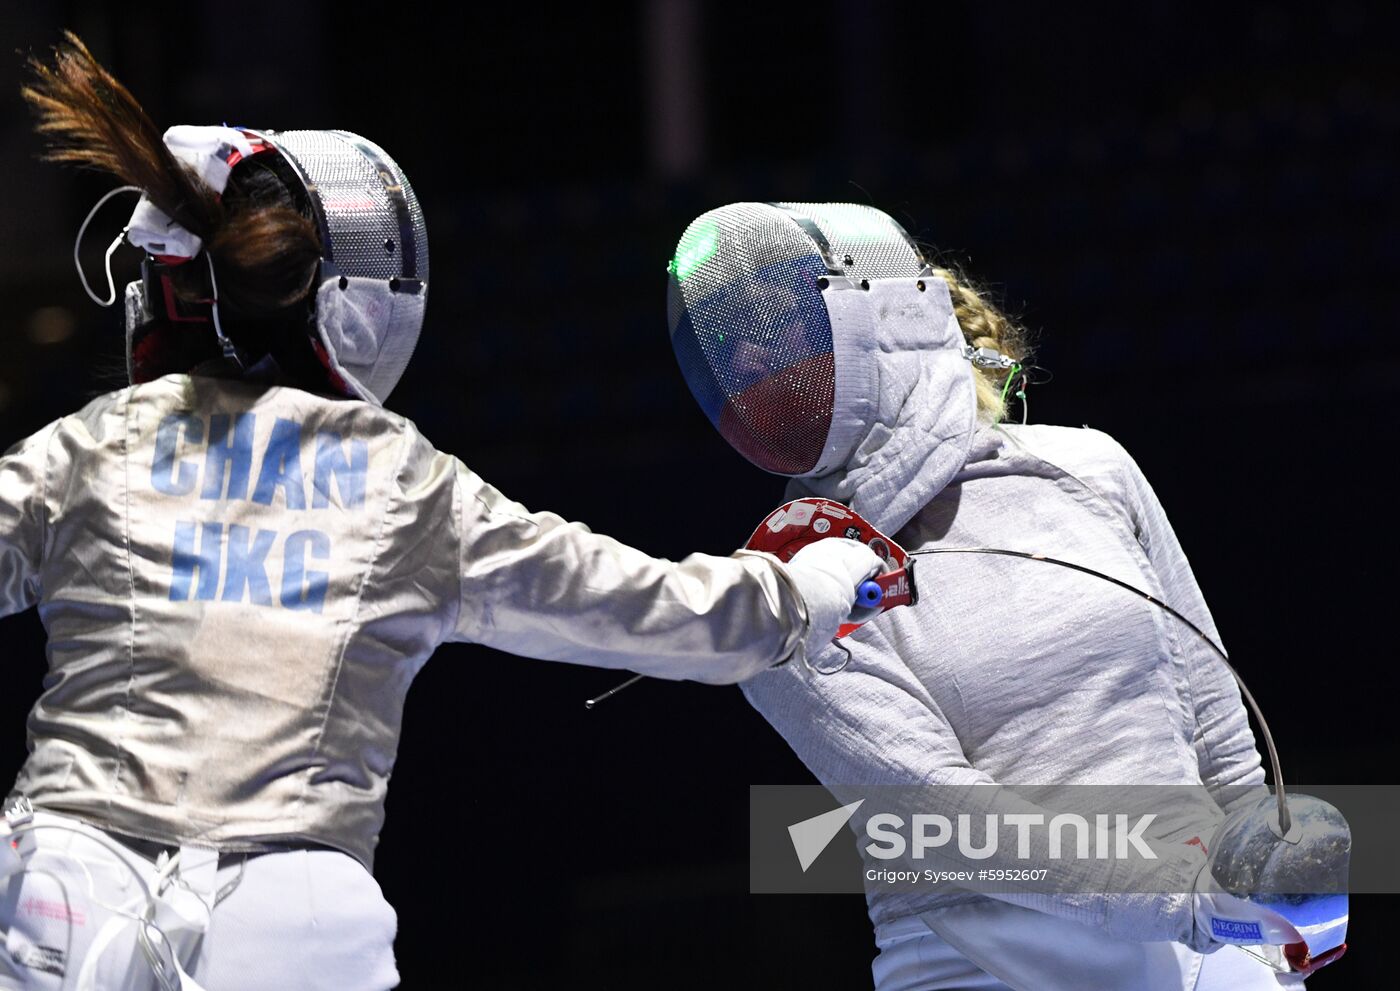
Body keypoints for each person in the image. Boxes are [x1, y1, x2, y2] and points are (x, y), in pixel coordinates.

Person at [0, 37, 884, 990]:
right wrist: (809, 590)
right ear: (359, 301)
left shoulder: (94, 446)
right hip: (291, 919)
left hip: (66, 892)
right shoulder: (399, 483)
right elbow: (646, 607)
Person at [665, 202, 1343, 989]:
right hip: (986, 967)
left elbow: (1220, 735)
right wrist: (1183, 897)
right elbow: (941, 816)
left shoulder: (1090, 469)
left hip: (1212, 939)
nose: (747, 354)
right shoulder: (791, 584)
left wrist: (1269, 894)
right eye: (727, 342)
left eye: (778, 318)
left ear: (887, 313)